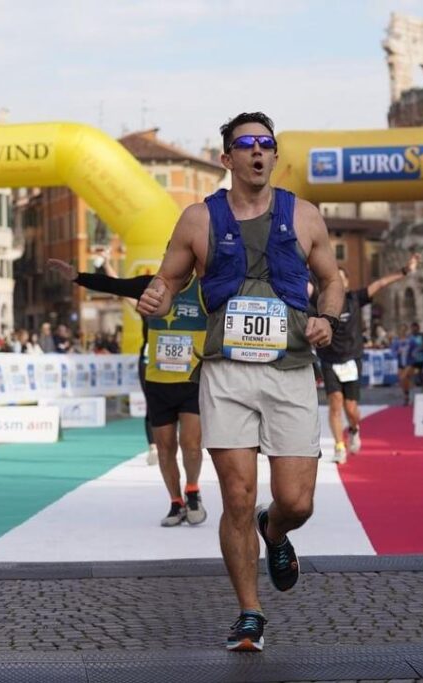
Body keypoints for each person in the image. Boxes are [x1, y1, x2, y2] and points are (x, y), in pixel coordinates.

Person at [137, 112, 343, 652]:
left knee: (296, 502)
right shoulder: (197, 220)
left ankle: (273, 531)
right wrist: (157, 295)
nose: (257, 151)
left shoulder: (306, 217)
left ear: (275, 155)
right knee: (235, 494)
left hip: (292, 369)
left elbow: (332, 281)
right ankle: (249, 612)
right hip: (225, 373)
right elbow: (168, 279)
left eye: (266, 144)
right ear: (227, 158)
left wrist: (328, 317)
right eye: (246, 144)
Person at [46, 258, 208, 528]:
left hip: (192, 379)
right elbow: (115, 284)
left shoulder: (204, 289)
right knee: (165, 447)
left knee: (190, 444)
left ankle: (192, 490)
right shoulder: (150, 285)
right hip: (156, 379)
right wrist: (77, 276)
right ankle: (175, 502)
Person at [317, 255, 417, 464]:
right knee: (335, 403)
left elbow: (379, 283)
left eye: (341, 278)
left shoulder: (355, 298)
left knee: (351, 408)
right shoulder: (321, 300)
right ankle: (339, 446)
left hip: (351, 358)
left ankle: (354, 429)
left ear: (345, 282)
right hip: (329, 359)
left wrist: (404, 271)